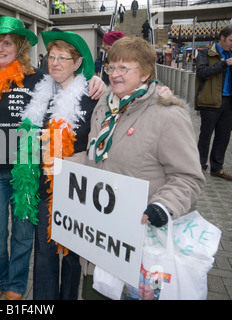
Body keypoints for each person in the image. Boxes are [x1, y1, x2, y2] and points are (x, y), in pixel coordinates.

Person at [0, 16, 105, 300]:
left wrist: (95, 79)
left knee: (22, 235)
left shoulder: (38, 80)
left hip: (27, 172)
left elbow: (69, 84)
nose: (0, 48)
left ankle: (17, 285)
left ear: (19, 46)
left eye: (7, 43)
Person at [80, 36, 205, 299]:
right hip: (101, 239)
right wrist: (61, 170)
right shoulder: (104, 106)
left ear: (146, 72)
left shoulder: (167, 114)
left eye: (124, 68)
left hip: (142, 243)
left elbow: (188, 177)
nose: (114, 74)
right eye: (111, 67)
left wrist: (163, 206)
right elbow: (95, 159)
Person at [16, 29, 99, 300]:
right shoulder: (41, 90)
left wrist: (103, 83)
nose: (55, 63)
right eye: (51, 57)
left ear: (77, 64)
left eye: (63, 58)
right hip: (44, 185)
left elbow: (121, 101)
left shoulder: (92, 95)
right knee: (45, 250)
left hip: (77, 189)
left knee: (74, 255)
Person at [195, 25, 232, 180]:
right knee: (206, 135)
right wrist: (224, 63)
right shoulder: (205, 53)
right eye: (231, 40)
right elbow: (202, 72)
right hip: (210, 101)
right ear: (222, 37)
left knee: (223, 136)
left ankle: (217, 168)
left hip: (228, 101)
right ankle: (200, 166)